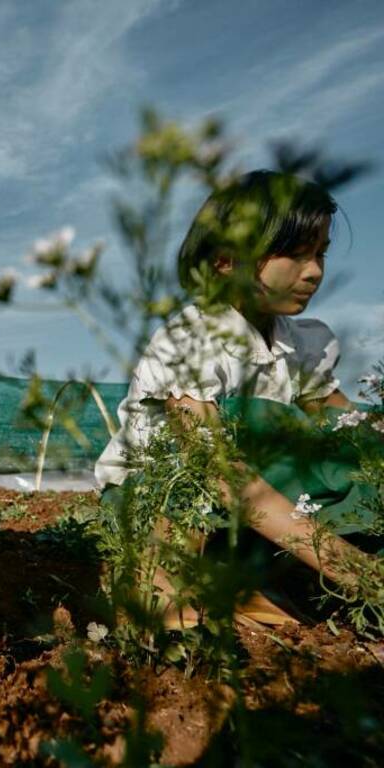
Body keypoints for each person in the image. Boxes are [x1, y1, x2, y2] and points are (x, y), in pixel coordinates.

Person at [94, 169, 378, 628]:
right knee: (258, 419)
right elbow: (218, 473)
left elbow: (346, 425)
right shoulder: (192, 340)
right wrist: (358, 573)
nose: (315, 272)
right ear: (226, 260)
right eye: (295, 255)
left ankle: (247, 575)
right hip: (168, 503)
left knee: (359, 445)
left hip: (262, 515)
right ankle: (159, 573)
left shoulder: (305, 343)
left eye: (320, 254)